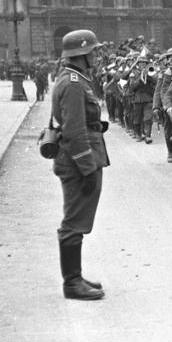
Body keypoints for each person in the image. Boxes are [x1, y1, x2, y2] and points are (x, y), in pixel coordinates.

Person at [51, 29, 109, 301]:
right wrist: (87, 168)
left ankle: (75, 276)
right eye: (93, 51)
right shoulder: (74, 83)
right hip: (78, 162)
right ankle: (72, 282)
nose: (96, 55)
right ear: (82, 54)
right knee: (74, 220)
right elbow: (74, 131)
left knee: (77, 218)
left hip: (77, 158)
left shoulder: (74, 79)